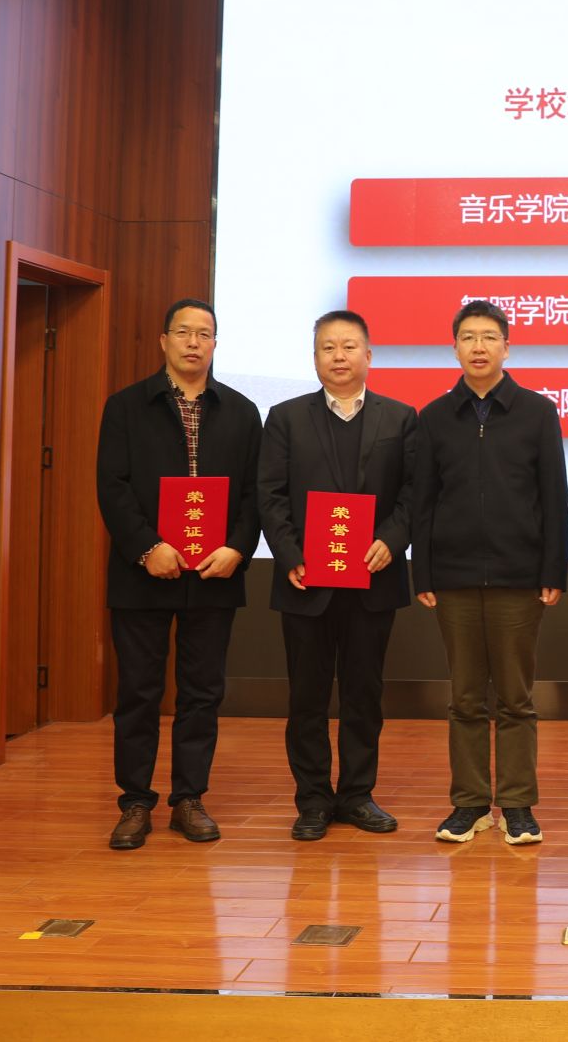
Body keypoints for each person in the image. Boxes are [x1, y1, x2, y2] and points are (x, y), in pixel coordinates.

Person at [94, 298, 262, 850]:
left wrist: (238, 548)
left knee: (201, 693)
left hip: (215, 574)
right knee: (139, 691)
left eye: (204, 333)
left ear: (215, 343)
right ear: (164, 340)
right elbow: (112, 486)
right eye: (184, 332)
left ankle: (189, 798)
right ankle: (135, 802)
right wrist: (147, 547)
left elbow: (256, 493)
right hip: (144, 572)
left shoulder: (241, 411)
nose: (194, 342)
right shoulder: (126, 406)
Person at [410, 299, 568, 846]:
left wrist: (553, 570)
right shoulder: (434, 416)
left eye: (488, 337)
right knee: (465, 699)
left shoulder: (537, 412)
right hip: (453, 577)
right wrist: (423, 573)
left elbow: (553, 497)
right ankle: (471, 803)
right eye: (468, 337)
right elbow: (423, 501)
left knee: (517, 699)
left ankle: (518, 805)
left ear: (507, 346)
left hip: (518, 576)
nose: (478, 347)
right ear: (454, 347)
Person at [257, 309, 418, 841]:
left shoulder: (401, 418)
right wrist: (290, 555)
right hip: (307, 580)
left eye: (349, 347)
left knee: (362, 695)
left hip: (373, 577)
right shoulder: (285, 417)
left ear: (368, 356)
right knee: (306, 697)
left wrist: (391, 540)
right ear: (315, 358)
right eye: (328, 347)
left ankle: (356, 794)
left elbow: (414, 493)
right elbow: (270, 494)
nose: (339, 356)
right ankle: (312, 799)